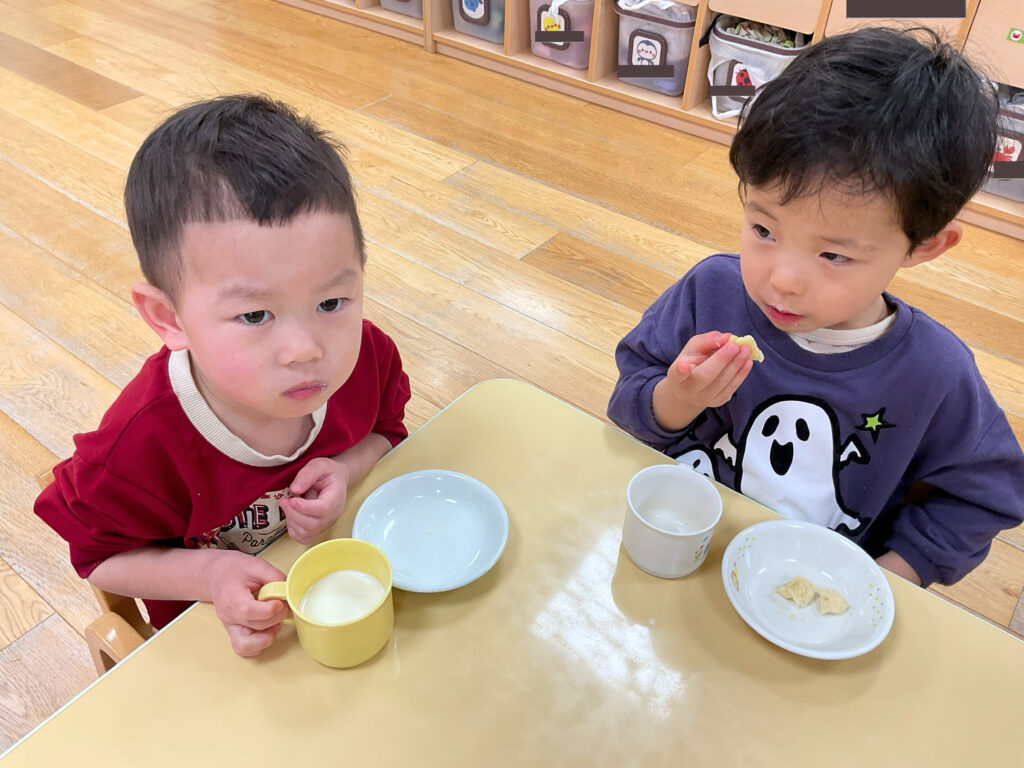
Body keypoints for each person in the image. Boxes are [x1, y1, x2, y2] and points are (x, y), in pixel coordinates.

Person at [607, 27, 1024, 588]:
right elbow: (628, 408)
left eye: (832, 254)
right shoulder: (711, 291)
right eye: (762, 227)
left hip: (803, 597)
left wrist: (883, 578)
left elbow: (987, 496)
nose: (781, 279)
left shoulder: (937, 373)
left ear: (924, 246)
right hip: (676, 557)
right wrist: (675, 398)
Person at [35, 95, 411, 656]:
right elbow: (99, 558)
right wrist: (209, 574)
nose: (306, 350)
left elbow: (388, 429)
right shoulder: (139, 445)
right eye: (255, 315)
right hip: (216, 641)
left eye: (332, 301)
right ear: (169, 318)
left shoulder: (368, 357)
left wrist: (347, 467)